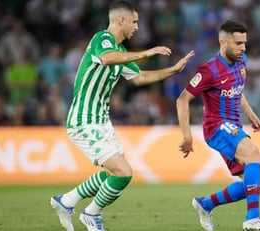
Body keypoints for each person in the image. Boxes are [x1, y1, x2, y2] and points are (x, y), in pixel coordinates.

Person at [50, 1, 194, 231]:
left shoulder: (122, 53)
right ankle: (91, 213)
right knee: (124, 173)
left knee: (113, 172)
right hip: (83, 120)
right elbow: (107, 58)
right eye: (134, 22)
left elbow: (139, 78)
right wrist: (147, 52)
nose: (137, 27)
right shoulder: (102, 40)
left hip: (101, 121)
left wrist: (173, 70)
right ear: (121, 20)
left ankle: (65, 202)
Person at [176, 20, 260, 231]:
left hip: (234, 127)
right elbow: (182, 99)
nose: (243, 48)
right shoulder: (208, 70)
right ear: (223, 42)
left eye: (245, 43)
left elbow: (236, 89)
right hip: (216, 127)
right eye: (238, 43)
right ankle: (252, 218)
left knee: (258, 184)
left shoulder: (242, 61)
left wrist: (250, 113)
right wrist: (186, 135)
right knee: (254, 155)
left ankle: (205, 204)